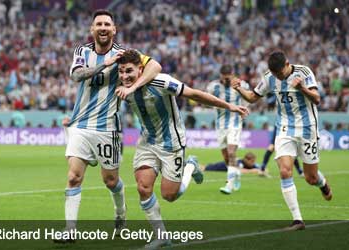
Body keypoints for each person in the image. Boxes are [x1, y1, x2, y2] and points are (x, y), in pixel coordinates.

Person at [116, 49, 249, 249]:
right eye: (121, 72)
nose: (125, 76)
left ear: (141, 69)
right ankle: (161, 236)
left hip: (172, 143)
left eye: (129, 71)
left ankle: (190, 167)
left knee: (170, 195)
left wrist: (229, 106)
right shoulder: (121, 88)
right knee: (143, 187)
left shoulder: (161, 82)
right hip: (147, 141)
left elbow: (195, 94)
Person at [58, 9, 162, 242]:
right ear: (92, 29)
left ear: (114, 29)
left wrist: (132, 87)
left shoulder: (124, 54)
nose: (103, 27)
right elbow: (76, 76)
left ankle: (120, 213)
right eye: (99, 24)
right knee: (74, 176)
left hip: (108, 128)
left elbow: (155, 66)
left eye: (107, 24)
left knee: (110, 181)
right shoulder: (82, 51)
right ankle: (70, 230)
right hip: (80, 125)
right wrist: (105, 64)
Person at [232, 51, 332, 230]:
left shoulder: (304, 72)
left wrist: (302, 88)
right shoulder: (270, 77)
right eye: (275, 74)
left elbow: (317, 99)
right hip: (285, 128)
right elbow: (253, 97)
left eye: (280, 73)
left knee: (311, 177)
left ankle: (322, 183)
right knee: (285, 171)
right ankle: (297, 220)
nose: (278, 76)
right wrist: (239, 88)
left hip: (308, 129)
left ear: (287, 64)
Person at [206, 65, 250, 195]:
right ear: (220, 75)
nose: (226, 81)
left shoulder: (242, 85)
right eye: (224, 78)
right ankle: (236, 173)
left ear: (232, 74)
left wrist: (244, 110)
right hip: (220, 124)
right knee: (226, 157)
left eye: (228, 78)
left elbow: (247, 99)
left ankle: (229, 185)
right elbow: (207, 100)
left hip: (235, 122)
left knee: (231, 152)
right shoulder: (213, 86)